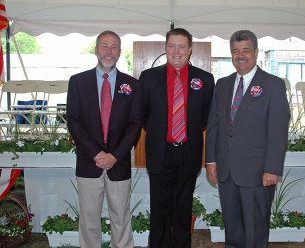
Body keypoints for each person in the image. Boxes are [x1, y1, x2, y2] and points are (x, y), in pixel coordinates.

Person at [206, 30, 290, 248]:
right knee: (232, 228)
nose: (240, 55)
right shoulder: (222, 85)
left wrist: (272, 168)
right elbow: (214, 125)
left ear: (256, 52)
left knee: (255, 230)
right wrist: (211, 161)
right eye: (235, 51)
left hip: (258, 172)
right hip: (226, 171)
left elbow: (278, 130)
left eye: (245, 50)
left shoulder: (273, 85)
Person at [139, 28, 214, 248]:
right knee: (159, 210)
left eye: (182, 46)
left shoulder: (205, 79)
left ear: (190, 50)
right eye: (172, 46)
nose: (177, 51)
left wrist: (185, 131)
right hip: (160, 152)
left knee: (183, 209)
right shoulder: (149, 77)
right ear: (165, 49)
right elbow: (143, 116)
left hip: (188, 153)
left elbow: (207, 118)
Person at [67, 30, 142, 248]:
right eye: (104, 46)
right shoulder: (78, 82)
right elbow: (73, 121)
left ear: (119, 52)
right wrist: (97, 153)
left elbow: (135, 124)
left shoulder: (132, 85)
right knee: (89, 219)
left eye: (114, 47)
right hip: (89, 162)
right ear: (96, 49)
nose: (109, 52)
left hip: (118, 164)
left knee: (121, 217)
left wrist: (115, 156)